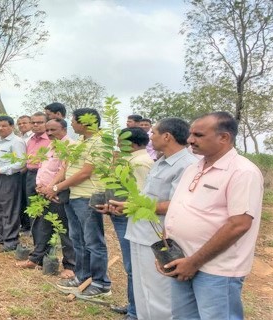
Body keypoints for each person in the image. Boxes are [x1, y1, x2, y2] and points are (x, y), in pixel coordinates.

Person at [160, 112, 263, 319]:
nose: (190, 140)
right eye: (190, 134)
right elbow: (179, 208)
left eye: (198, 135)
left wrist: (194, 262)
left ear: (223, 138)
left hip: (216, 270)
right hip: (181, 261)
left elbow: (239, 225)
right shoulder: (194, 167)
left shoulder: (242, 172)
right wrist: (165, 250)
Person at [109, 117, 197, 320]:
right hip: (141, 232)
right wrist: (130, 207)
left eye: (154, 133)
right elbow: (148, 197)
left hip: (159, 237)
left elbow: (177, 204)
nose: (150, 137)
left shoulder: (188, 166)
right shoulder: (160, 162)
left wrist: (137, 206)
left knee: (160, 292)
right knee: (143, 289)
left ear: (167, 136)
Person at [46, 108, 110, 298]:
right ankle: (83, 276)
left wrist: (57, 188)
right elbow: (66, 168)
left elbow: (85, 172)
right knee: (78, 240)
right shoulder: (80, 143)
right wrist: (53, 186)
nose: (71, 124)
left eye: (74, 121)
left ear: (85, 122)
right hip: (74, 196)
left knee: (93, 242)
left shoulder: (100, 143)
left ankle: (101, 283)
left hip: (89, 197)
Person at [99, 127, 153, 320]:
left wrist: (122, 208)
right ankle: (133, 307)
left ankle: (136, 312)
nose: (118, 144)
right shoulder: (129, 160)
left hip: (131, 217)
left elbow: (140, 195)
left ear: (133, 142)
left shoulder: (140, 163)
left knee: (134, 266)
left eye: (121, 141)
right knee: (131, 266)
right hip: (122, 214)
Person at [22, 119, 76, 277]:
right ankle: (36, 259)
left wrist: (52, 188)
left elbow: (64, 170)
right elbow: (44, 168)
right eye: (48, 130)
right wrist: (40, 186)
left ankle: (70, 266)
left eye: (54, 130)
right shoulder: (51, 145)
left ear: (64, 129)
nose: (50, 133)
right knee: (42, 226)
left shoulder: (70, 146)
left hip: (58, 192)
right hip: (45, 191)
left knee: (62, 228)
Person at [0, 115, 27, 252]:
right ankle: (0, 235)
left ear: (11, 127)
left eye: (4, 125)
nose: (1, 128)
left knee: (9, 209)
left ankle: (11, 240)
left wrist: (1, 170)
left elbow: (21, 163)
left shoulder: (16, 142)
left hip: (7, 178)